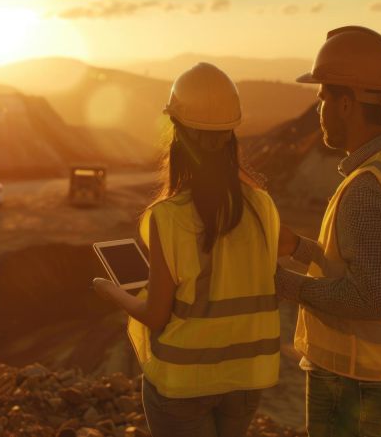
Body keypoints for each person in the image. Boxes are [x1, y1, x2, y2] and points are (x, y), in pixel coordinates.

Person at [92, 62, 281, 437]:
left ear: (175, 133)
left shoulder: (169, 216)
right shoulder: (262, 207)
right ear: (232, 134)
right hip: (246, 379)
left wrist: (111, 291)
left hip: (184, 383)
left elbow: (156, 315)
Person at [275, 26, 381, 437]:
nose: (319, 108)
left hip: (357, 380)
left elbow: (369, 297)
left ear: (345, 104)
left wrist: (281, 282)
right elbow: (377, 264)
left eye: (322, 97)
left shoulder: (367, 188)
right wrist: (299, 248)